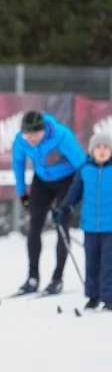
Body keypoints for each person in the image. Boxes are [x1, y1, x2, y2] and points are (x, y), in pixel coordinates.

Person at [12, 110, 87, 296]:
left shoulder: (61, 136)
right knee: (34, 226)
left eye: (35, 134)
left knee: (62, 224)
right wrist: (22, 193)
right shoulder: (20, 141)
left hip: (67, 181)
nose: (31, 139)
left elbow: (83, 166)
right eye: (27, 134)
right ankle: (32, 277)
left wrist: (72, 199)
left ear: (44, 130)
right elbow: (18, 163)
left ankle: (57, 278)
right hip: (42, 181)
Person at [54, 131, 112, 311]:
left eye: (106, 148)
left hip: (110, 226)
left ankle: (109, 297)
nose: (102, 151)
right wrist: (65, 207)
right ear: (91, 151)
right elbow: (75, 192)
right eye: (98, 148)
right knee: (92, 261)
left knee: (108, 262)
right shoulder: (84, 170)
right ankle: (93, 296)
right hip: (90, 225)